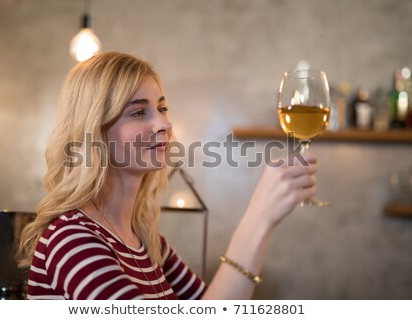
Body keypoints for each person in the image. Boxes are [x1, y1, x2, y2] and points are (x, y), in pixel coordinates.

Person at [18, 51, 317, 300]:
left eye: (162, 108)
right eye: (138, 112)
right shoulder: (72, 239)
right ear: (93, 132)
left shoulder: (148, 242)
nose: (164, 124)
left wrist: (264, 223)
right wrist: (258, 218)